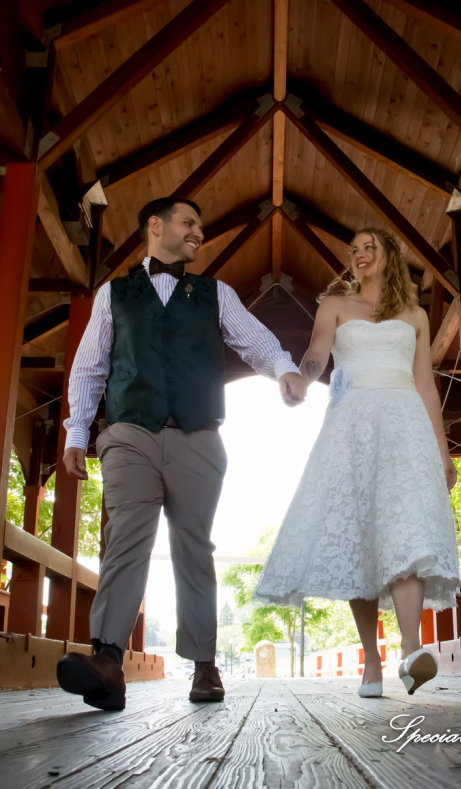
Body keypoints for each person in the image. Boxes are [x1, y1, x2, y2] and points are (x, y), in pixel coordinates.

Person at [58, 196, 308, 710]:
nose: (198, 232)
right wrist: (76, 432)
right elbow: (89, 366)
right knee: (125, 537)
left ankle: (204, 664)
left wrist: (283, 367)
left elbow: (254, 339)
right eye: (189, 222)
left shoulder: (216, 293)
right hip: (130, 433)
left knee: (193, 547)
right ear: (156, 224)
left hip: (198, 436)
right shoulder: (113, 294)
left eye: (200, 225)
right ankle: (107, 659)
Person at [254, 227, 459, 697]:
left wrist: (442, 450)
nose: (360, 254)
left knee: (407, 530)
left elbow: (425, 386)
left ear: (391, 255)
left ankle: (411, 649)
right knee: (358, 536)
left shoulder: (416, 316)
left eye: (371, 247)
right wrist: (303, 379)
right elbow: (316, 355)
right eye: (355, 249)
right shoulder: (335, 306)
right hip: (351, 428)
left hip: (405, 427)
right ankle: (371, 658)